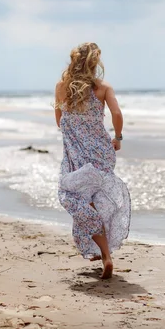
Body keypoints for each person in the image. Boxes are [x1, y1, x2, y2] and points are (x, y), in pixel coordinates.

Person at [54, 42, 131, 279]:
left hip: (76, 155)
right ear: (95, 63)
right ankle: (101, 250)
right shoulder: (103, 87)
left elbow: (59, 121)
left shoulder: (62, 87)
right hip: (101, 153)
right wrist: (117, 138)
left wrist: (76, 131)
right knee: (95, 198)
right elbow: (117, 114)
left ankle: (105, 253)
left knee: (73, 198)